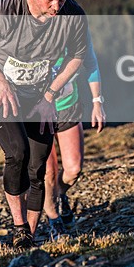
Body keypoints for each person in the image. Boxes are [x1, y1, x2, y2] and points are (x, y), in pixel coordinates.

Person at [0, 0, 88, 249]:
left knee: (38, 163)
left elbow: (77, 56)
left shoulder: (72, 14)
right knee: (17, 152)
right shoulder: (7, 10)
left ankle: (29, 236)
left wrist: (50, 95)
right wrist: (0, 81)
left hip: (38, 93)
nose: (56, 6)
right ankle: (18, 227)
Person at [42, 30, 105, 239]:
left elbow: (91, 65)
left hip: (68, 107)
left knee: (74, 169)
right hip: (37, 112)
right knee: (48, 172)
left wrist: (97, 102)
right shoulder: (31, 31)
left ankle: (59, 194)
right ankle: (54, 220)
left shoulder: (76, 31)